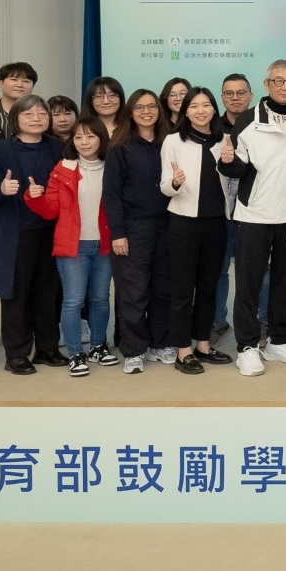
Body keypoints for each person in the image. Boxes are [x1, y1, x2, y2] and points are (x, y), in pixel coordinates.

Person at [218, 60, 286, 376]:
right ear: (267, 84)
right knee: (248, 285)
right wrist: (226, 161)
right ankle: (247, 347)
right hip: (254, 215)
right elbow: (238, 167)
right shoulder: (249, 119)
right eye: (279, 80)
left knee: (285, 284)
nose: (285, 86)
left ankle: (279, 341)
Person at [22, 116, 117, 378]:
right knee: (73, 300)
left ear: (101, 138)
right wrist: (34, 197)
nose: (84, 142)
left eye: (90, 136)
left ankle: (98, 346)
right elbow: (51, 210)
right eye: (78, 137)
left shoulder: (112, 167)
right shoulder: (63, 168)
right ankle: (76, 353)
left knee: (100, 298)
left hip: (104, 244)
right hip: (73, 246)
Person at [0, 95, 64, 374]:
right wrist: (2, 189)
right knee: (16, 295)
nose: (36, 118)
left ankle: (47, 348)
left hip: (51, 231)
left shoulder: (58, 147)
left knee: (48, 292)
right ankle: (16, 355)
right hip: (16, 232)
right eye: (28, 114)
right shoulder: (0, 150)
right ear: (15, 118)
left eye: (42, 113)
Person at [158, 88, 234, 374]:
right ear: (185, 111)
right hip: (184, 222)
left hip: (216, 222)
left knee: (208, 287)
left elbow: (233, 180)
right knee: (182, 289)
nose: (200, 111)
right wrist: (176, 182)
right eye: (194, 106)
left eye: (206, 105)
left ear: (214, 109)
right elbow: (165, 186)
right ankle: (183, 350)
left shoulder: (225, 140)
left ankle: (203, 344)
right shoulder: (173, 140)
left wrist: (231, 163)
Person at [103, 88, 170, 373]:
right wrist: (117, 232)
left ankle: (159, 344)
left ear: (159, 110)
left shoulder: (170, 142)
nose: (146, 112)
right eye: (139, 107)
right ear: (130, 112)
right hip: (132, 228)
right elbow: (111, 193)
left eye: (151, 106)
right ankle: (133, 350)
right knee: (133, 292)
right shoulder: (120, 146)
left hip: (167, 225)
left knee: (163, 289)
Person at [210, 72, 255, 340]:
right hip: (220, 211)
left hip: (255, 208)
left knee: (259, 270)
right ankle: (218, 322)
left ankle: (261, 322)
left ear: (251, 95)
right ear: (222, 97)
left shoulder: (260, 123)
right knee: (219, 269)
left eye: (241, 93)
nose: (235, 98)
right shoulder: (212, 127)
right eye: (229, 93)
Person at [0, 62, 38, 137]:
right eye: (14, 80)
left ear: (33, 86)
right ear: (1, 84)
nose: (20, 85)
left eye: (26, 81)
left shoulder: (40, 115)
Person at [82, 76, 127, 142]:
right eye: (99, 96)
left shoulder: (131, 127)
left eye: (112, 95)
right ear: (91, 101)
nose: (106, 102)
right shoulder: (81, 128)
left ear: (120, 99)